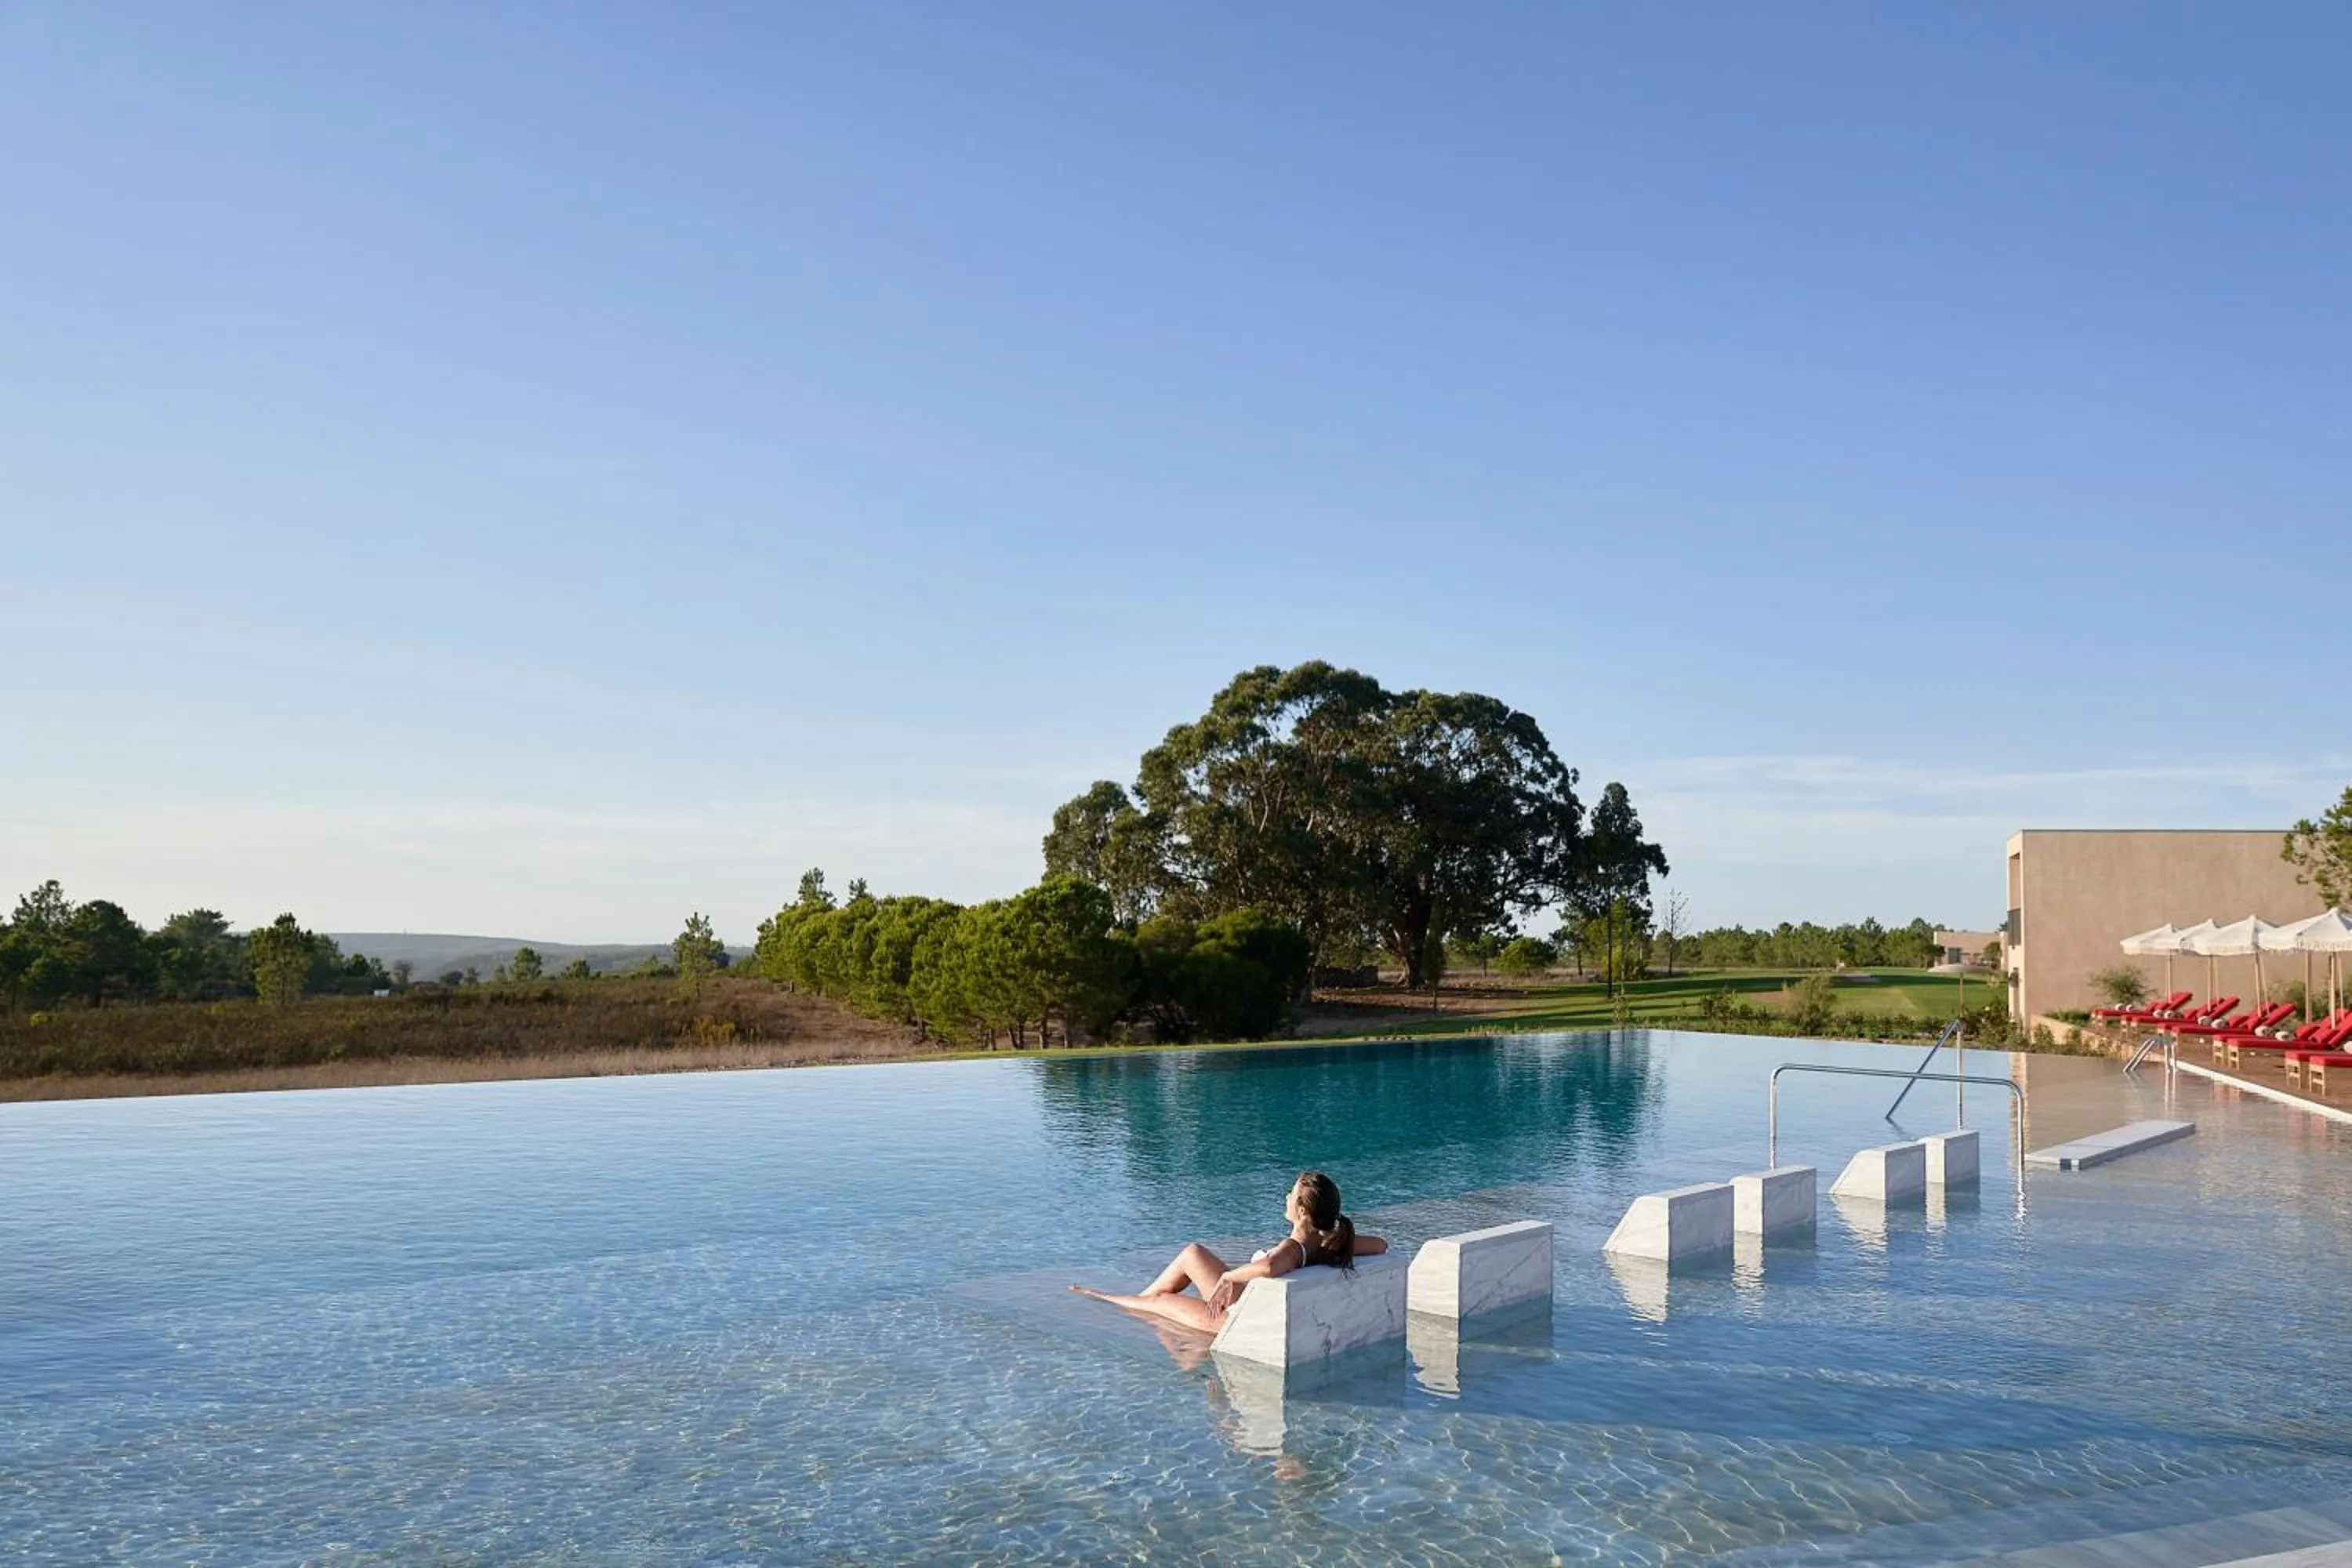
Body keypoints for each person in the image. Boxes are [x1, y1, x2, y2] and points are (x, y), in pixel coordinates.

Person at [1070, 1170, 1387, 1334]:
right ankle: (1138, 1300)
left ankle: (1103, 1297)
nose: (1286, 1197)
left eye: (1291, 1194)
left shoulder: (1294, 1250)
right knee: (1193, 1253)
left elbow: (1269, 1267)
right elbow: (1382, 1246)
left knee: (1158, 1301)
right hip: (1244, 1300)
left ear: (1303, 1210)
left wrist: (1228, 1276)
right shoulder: (1327, 1242)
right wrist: (1340, 1234)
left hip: (1233, 1319)